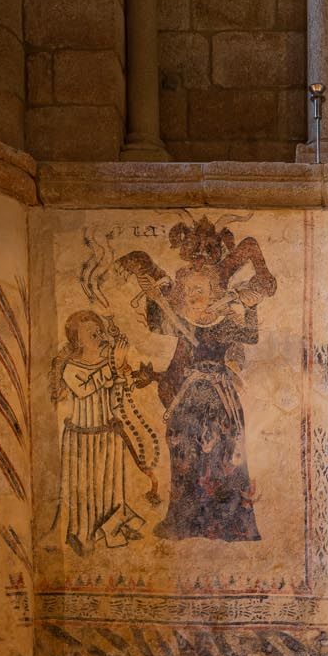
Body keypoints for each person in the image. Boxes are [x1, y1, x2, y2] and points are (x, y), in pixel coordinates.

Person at [128, 229, 275, 542]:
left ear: (213, 291)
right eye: (189, 290)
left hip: (221, 397)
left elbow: (250, 336)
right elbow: (156, 323)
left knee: (226, 455)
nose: (194, 294)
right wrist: (152, 296)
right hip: (189, 397)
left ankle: (228, 524)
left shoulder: (224, 321)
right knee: (186, 454)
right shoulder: (182, 321)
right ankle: (185, 523)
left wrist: (251, 307)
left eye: (200, 289)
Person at [54, 308, 159, 551]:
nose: (99, 336)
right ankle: (84, 533)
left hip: (108, 433)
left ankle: (113, 529)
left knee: (111, 487)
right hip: (82, 436)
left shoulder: (106, 363)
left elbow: (115, 396)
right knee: (85, 489)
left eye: (99, 331)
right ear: (78, 339)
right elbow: (84, 390)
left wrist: (124, 375)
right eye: (91, 333)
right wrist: (114, 365)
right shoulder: (71, 367)